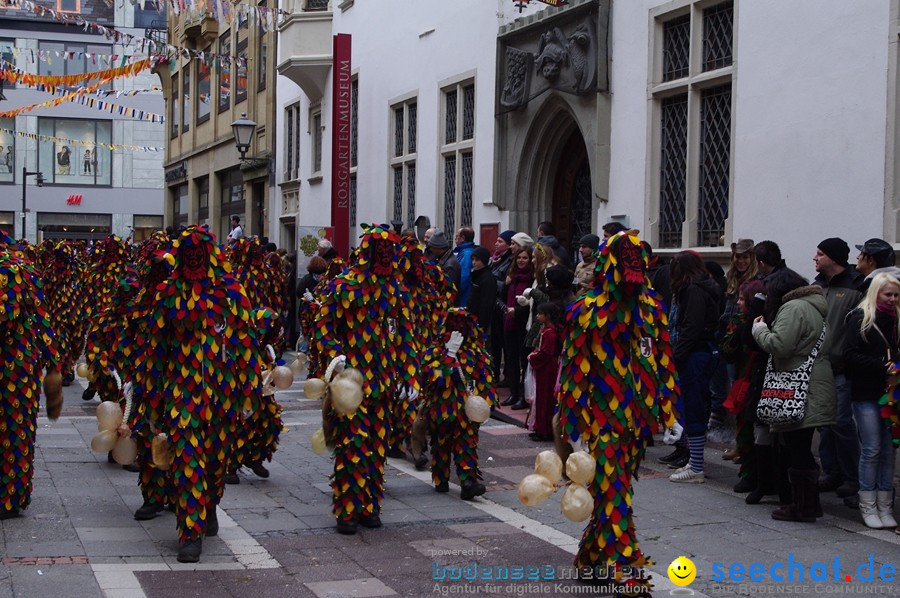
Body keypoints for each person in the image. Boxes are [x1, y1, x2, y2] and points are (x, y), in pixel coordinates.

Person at [556, 230, 681, 591]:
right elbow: (574, 370)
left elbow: (662, 362)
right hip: (601, 418)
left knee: (618, 485)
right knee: (614, 489)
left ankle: (589, 559)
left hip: (638, 420)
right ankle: (627, 566)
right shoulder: (587, 311)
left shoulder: (652, 309)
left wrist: (669, 413)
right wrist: (573, 419)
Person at [752, 268, 835, 523]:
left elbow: (780, 345)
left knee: (798, 448)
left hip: (798, 385)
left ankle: (803, 507)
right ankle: (809, 503)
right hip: (815, 381)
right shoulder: (813, 306)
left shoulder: (793, 308)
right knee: (801, 445)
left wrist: (760, 330)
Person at [843, 272, 900, 529]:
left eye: (896, 295)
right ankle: (868, 504)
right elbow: (850, 356)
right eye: (888, 294)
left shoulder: (897, 320)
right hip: (866, 392)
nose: (892, 299)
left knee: (889, 451)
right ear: (876, 293)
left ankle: (885, 505)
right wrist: (881, 367)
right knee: (872, 448)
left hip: (891, 394)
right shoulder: (860, 318)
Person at [813, 237, 862, 502]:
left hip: (842, 366)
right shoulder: (818, 285)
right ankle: (830, 472)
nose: (815, 258)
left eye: (820, 254)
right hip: (819, 366)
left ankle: (852, 477)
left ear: (834, 257)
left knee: (842, 423)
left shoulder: (855, 286)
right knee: (824, 424)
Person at [667, 251, 722, 483]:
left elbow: (691, 328)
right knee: (694, 406)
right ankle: (694, 461)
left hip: (695, 355)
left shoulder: (693, 291)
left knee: (694, 407)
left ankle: (696, 466)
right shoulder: (702, 287)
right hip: (701, 352)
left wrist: (676, 357)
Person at [500, 247, 534, 409]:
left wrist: (518, 311)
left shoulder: (531, 279)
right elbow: (502, 296)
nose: (521, 261)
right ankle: (513, 393)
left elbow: (531, 305)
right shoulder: (511, 277)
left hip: (523, 323)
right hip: (509, 322)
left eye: (525, 258)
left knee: (523, 360)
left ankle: (522, 395)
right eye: (519, 258)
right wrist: (505, 285)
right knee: (510, 359)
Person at [527, 302, 562, 441]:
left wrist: (533, 356)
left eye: (540, 314)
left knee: (545, 399)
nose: (538, 316)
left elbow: (546, 352)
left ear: (547, 316)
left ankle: (545, 430)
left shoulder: (550, 333)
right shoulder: (548, 330)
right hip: (546, 368)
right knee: (541, 398)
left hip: (547, 369)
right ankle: (539, 427)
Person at [489, 230, 516, 382]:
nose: (496, 244)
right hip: (495, 304)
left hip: (503, 305)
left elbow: (506, 284)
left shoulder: (510, 261)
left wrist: (492, 282)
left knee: (505, 342)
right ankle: (495, 372)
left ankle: (507, 375)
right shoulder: (496, 259)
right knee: (495, 341)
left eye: (500, 241)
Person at [466, 246, 497, 334]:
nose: (474, 262)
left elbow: (486, 304)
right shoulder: (477, 275)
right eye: (473, 259)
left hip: (480, 321)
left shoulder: (487, 278)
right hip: (473, 318)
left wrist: (482, 326)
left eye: (477, 260)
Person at [426, 229, 461, 297]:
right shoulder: (443, 260)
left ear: (438, 248)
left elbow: (449, 291)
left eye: (432, 247)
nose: (430, 249)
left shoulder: (449, 266)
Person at [453, 227, 477, 306]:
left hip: (463, 298)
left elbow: (463, 276)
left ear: (463, 238)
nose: (455, 238)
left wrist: (454, 293)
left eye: (457, 236)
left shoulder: (466, 254)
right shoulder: (465, 252)